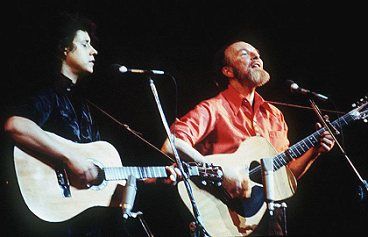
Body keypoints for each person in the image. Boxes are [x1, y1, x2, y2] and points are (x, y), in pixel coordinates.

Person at [2, 12, 180, 237]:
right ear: (65, 49)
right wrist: (69, 158)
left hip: (86, 223)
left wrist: (155, 178)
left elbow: (103, 177)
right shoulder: (49, 94)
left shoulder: (85, 105)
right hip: (55, 224)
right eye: (85, 44)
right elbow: (15, 125)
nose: (94, 51)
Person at [161, 40, 335, 236]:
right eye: (245, 54)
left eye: (257, 54)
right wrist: (220, 172)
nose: (256, 57)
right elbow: (172, 144)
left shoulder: (274, 114)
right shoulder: (213, 108)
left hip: (266, 218)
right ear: (228, 71)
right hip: (221, 213)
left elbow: (284, 177)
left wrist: (314, 152)